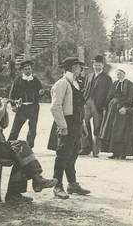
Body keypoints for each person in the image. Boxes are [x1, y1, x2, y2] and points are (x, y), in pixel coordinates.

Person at [0, 79, 57, 203]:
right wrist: (3, 106)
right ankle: (37, 179)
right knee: (21, 145)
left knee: (22, 157)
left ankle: (14, 194)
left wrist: (4, 108)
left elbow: (3, 124)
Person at [48, 57, 91, 199]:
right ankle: (57, 185)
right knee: (62, 155)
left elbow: (78, 106)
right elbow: (55, 107)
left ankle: (72, 184)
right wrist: (62, 125)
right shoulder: (62, 84)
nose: (81, 70)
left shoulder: (76, 83)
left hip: (76, 123)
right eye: (79, 67)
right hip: (66, 123)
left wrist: (83, 124)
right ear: (73, 68)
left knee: (73, 154)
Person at [99, 69, 133, 159]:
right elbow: (109, 95)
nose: (119, 76)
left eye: (120, 74)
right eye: (117, 74)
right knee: (112, 131)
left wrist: (125, 107)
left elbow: (131, 98)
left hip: (122, 110)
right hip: (112, 111)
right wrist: (106, 105)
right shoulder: (115, 83)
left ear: (124, 74)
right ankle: (114, 153)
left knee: (122, 132)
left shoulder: (129, 84)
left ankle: (122, 153)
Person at [81, 55, 112, 157]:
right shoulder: (89, 76)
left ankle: (96, 150)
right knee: (84, 124)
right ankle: (86, 148)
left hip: (98, 106)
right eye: (95, 65)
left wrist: (104, 105)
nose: (97, 67)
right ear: (93, 65)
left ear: (102, 65)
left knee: (97, 128)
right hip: (87, 103)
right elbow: (85, 88)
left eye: (99, 65)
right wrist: (83, 100)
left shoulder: (107, 78)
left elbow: (109, 94)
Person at [8, 60, 44, 148]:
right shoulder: (18, 81)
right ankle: (9, 146)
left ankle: (29, 147)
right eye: (26, 69)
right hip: (22, 107)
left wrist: (41, 92)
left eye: (29, 69)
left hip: (33, 107)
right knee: (15, 129)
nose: (28, 71)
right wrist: (13, 106)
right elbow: (11, 94)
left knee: (32, 130)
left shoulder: (35, 80)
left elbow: (41, 91)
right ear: (22, 70)